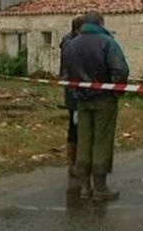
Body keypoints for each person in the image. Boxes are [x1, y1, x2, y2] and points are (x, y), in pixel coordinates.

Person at [62, 11, 129, 202]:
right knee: (102, 140)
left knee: (83, 140)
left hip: (82, 100)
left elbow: (66, 74)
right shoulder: (107, 42)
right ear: (100, 23)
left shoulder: (71, 44)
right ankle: (100, 187)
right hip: (103, 100)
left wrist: (76, 93)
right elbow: (121, 69)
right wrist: (115, 90)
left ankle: (84, 187)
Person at [59, 15, 85, 185]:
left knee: (77, 126)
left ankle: (76, 162)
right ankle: (73, 163)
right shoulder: (71, 45)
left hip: (74, 89)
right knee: (75, 127)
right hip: (74, 91)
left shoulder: (68, 42)